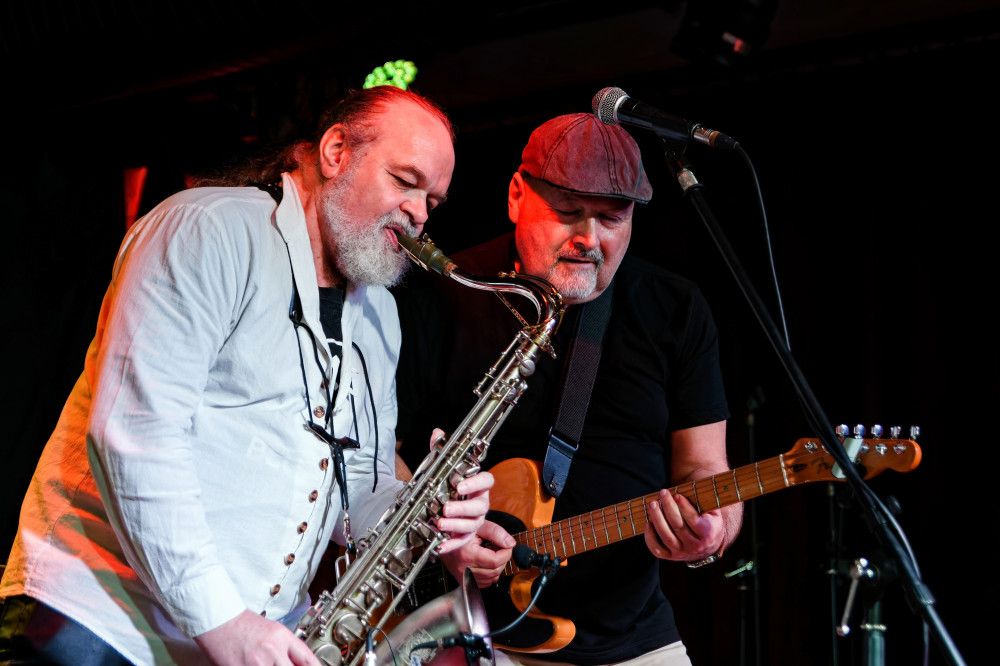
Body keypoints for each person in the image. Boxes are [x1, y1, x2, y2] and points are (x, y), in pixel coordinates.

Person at [0, 85, 511, 666]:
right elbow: (137, 438)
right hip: (100, 627)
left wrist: (429, 511)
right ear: (336, 151)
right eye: (405, 181)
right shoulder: (205, 229)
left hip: (239, 642)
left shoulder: (381, 316)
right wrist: (224, 622)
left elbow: (356, 487)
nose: (420, 213)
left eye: (433, 201)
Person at [393, 113, 743, 665]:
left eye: (611, 218)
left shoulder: (676, 308)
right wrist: (437, 537)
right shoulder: (442, 291)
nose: (589, 239)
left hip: (631, 638)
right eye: (568, 212)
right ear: (516, 195)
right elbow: (377, 455)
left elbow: (706, 467)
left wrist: (710, 534)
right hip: (456, 632)